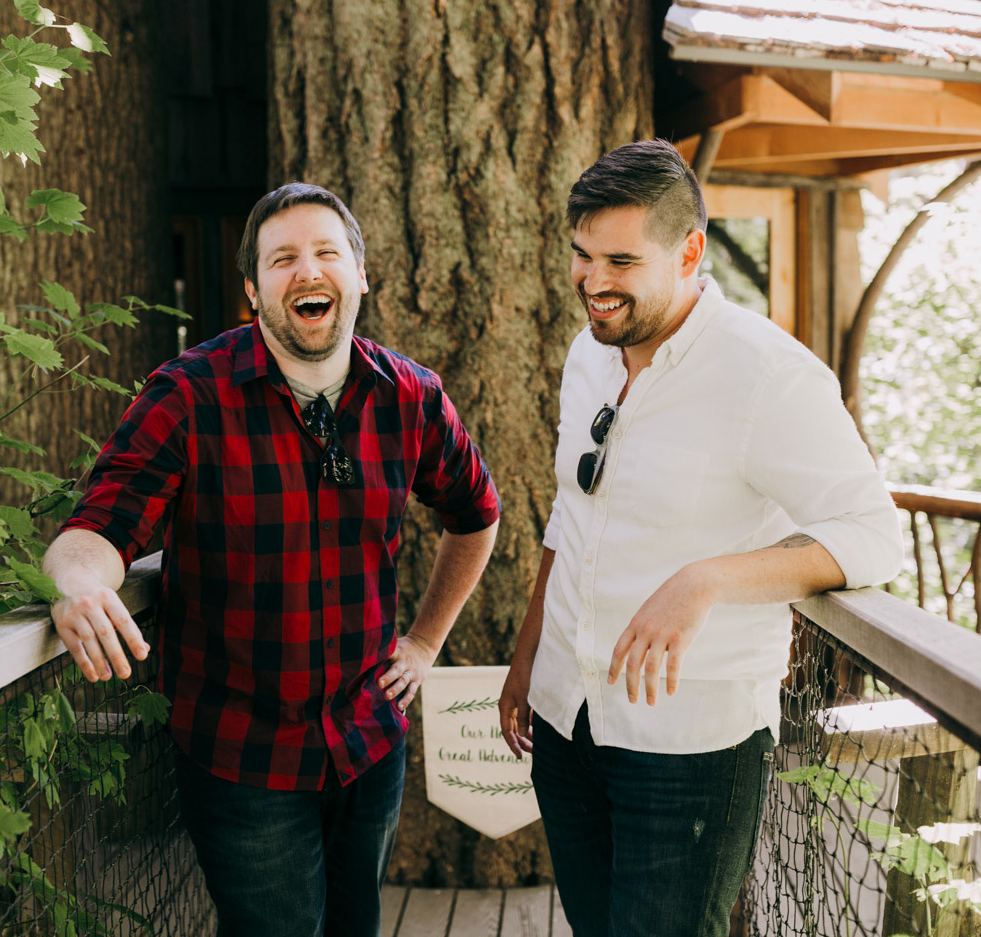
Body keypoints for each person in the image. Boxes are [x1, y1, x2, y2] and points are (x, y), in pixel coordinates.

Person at [44, 182, 500, 937]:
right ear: (254, 291)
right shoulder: (188, 395)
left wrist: (423, 644)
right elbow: (95, 530)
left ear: (360, 274)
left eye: (327, 252)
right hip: (240, 757)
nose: (307, 270)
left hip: (368, 741)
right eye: (282, 259)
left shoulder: (411, 398)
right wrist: (76, 583)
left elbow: (477, 515)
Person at [497, 140, 901, 937]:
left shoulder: (770, 376)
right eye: (581, 256)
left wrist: (707, 579)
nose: (593, 282)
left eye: (620, 260)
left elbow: (872, 535)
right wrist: (526, 656)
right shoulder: (588, 352)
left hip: (689, 746)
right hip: (564, 719)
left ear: (690, 252)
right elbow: (571, 512)